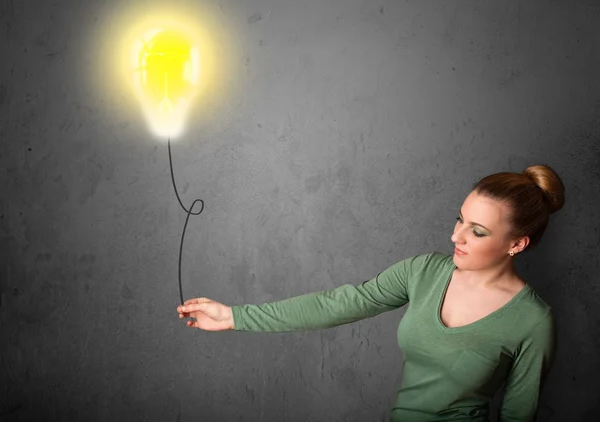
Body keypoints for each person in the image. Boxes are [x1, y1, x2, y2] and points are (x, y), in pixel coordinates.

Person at [176, 164, 564, 422]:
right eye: (459, 219)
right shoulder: (424, 271)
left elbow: (518, 416)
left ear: (517, 244)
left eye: (477, 231)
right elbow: (340, 303)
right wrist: (235, 317)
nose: (455, 236)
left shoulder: (532, 320)